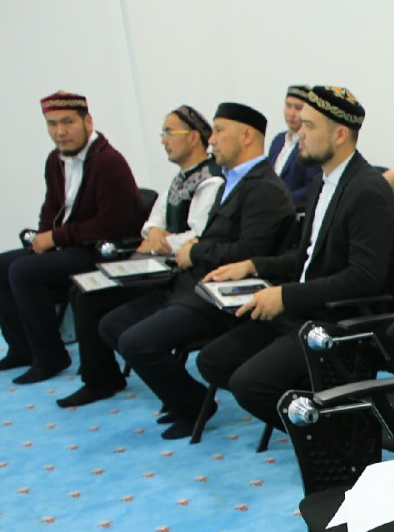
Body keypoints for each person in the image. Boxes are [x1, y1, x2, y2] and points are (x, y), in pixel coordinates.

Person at [195, 86, 394, 431]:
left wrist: (285, 296)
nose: (298, 133)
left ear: (339, 134)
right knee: (213, 361)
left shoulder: (367, 191)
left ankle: (333, 435)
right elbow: (306, 258)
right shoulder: (322, 183)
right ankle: (321, 416)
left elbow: (364, 279)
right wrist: (254, 266)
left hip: (334, 320)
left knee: (250, 384)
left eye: (309, 126)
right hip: (302, 308)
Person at [97, 103, 295, 436]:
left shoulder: (264, 188)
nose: (211, 139)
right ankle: (182, 397)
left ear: (247, 136)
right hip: (190, 284)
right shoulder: (233, 180)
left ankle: (191, 406)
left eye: (218, 131)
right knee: (111, 324)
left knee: (136, 342)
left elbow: (250, 253)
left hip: (219, 297)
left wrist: (196, 250)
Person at [56, 105, 222, 408]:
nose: (163, 140)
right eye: (162, 133)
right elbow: (152, 221)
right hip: (159, 264)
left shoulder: (212, 179)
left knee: (92, 301)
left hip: (179, 275)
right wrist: (156, 233)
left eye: (169, 132)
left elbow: (199, 236)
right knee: (84, 292)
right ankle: (100, 377)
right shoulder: (180, 177)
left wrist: (162, 241)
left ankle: (103, 380)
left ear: (194, 136)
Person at [0, 91, 141, 383]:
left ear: (87, 122)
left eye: (68, 122)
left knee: (24, 271)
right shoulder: (55, 160)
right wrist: (41, 239)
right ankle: (22, 349)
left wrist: (55, 238)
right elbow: (52, 207)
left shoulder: (108, 162)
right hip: (69, 246)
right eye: (52, 124)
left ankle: (51, 357)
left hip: (100, 251)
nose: (60, 132)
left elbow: (112, 225)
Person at [265, 85, 322, 205]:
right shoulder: (278, 140)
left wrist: (278, 199)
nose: (291, 113)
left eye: (298, 108)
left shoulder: (311, 145)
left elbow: (312, 188)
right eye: (288, 106)